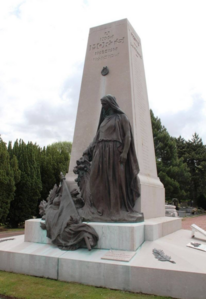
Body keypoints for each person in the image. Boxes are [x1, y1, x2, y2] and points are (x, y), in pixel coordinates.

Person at [81, 94, 143, 222]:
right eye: (102, 105)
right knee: (95, 179)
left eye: (104, 104)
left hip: (114, 152)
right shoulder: (104, 121)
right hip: (100, 151)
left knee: (113, 180)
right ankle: (99, 208)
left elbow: (128, 136)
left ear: (111, 104)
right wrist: (87, 151)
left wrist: (125, 152)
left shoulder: (121, 118)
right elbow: (96, 138)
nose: (103, 107)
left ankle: (114, 210)